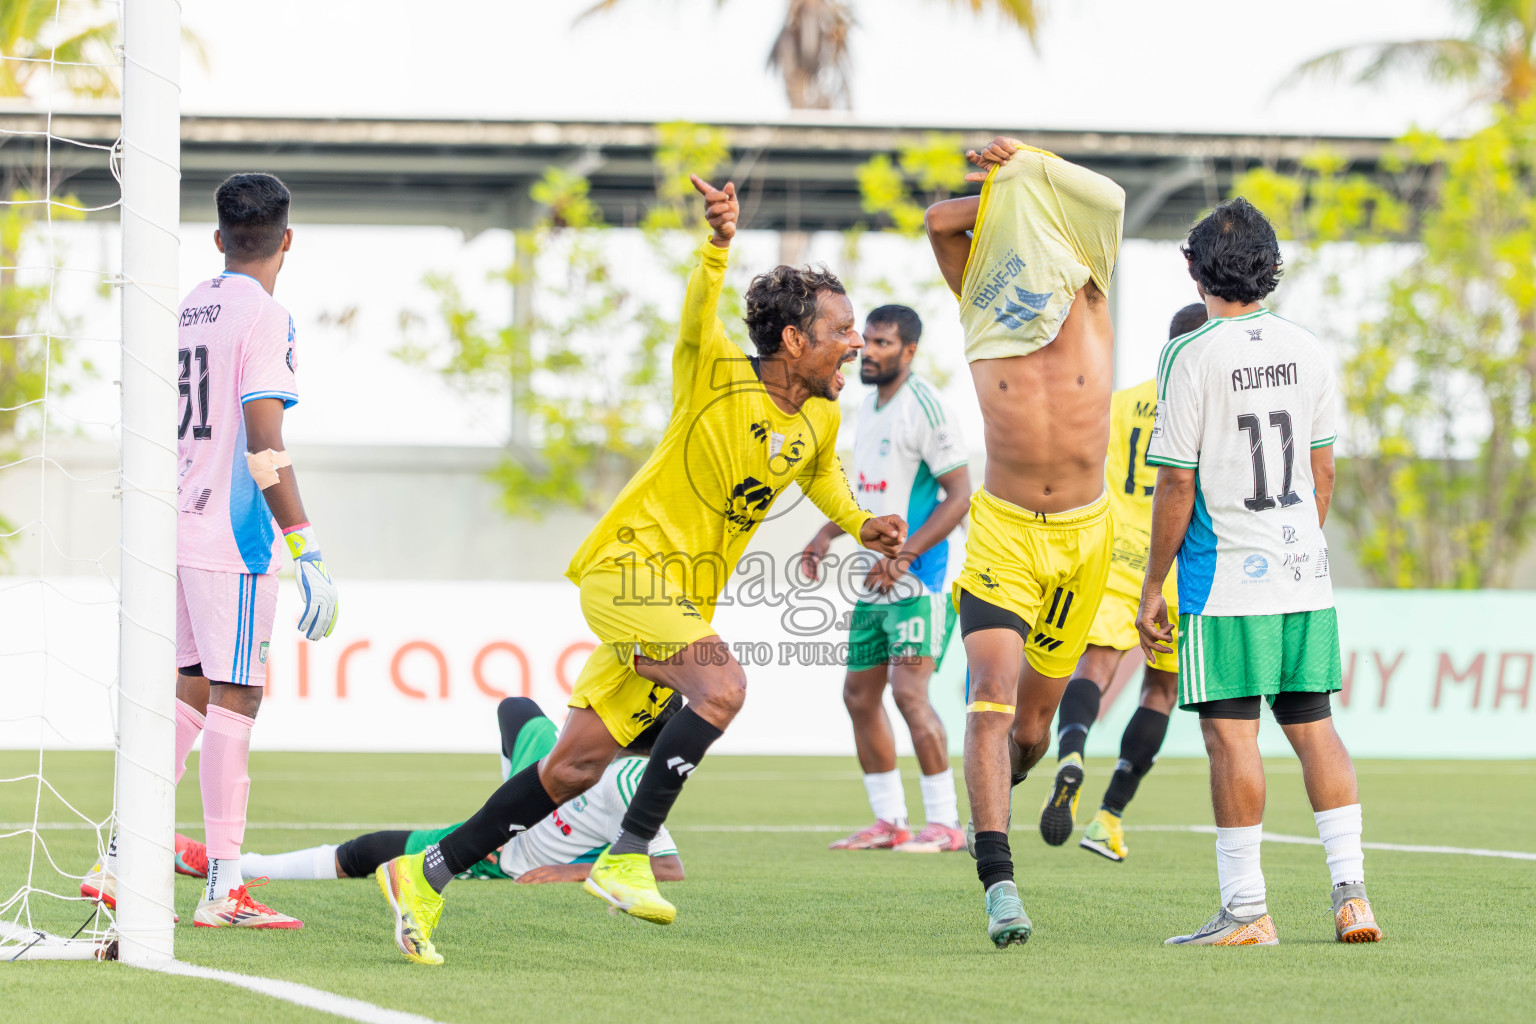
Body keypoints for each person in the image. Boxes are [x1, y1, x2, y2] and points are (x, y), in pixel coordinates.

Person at [374, 173, 906, 966]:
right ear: (795, 340)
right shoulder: (715, 374)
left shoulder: (821, 418)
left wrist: (862, 523)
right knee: (723, 686)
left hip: (677, 600)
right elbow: (698, 314)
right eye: (843, 329)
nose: (855, 343)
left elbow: (820, 475)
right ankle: (627, 855)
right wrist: (718, 243)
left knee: (572, 767)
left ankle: (427, 874)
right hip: (626, 572)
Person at [82, 173, 339, 930]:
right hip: (231, 536)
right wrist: (305, 545)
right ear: (287, 240)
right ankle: (224, 890)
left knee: (193, 688)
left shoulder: (184, 307)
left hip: (170, 524)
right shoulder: (267, 315)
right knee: (239, 695)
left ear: (219, 238)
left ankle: (119, 858)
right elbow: (264, 444)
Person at [1139, 197, 1381, 947]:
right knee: (1315, 727)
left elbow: (1175, 483)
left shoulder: (1189, 354)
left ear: (1193, 269)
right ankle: (1353, 897)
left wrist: (1153, 584)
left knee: (1232, 737)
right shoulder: (1309, 348)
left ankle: (1247, 911)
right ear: (1272, 267)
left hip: (1223, 580)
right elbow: (1323, 471)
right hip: (1303, 573)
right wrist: (1296, 546)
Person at [924, 137, 1124, 947]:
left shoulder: (1090, 278)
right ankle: (998, 880)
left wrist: (1030, 164)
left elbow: (1106, 198)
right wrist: (1004, 192)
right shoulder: (982, 288)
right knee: (990, 698)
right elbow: (940, 221)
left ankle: (1006, 790)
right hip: (1003, 533)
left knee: (1031, 730)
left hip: (1083, 541)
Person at [172, 698, 684, 886]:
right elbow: (514, 712)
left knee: (366, 852)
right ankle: (505, 815)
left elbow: (668, 868)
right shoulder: (571, 751)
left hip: (511, 860)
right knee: (519, 709)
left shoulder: (629, 780)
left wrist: (573, 872)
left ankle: (232, 866)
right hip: (525, 806)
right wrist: (507, 810)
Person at [1039, 302, 1209, 861]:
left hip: (1114, 556)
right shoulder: (1209, 409)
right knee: (1161, 691)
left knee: (1095, 667)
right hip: (1180, 565)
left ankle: (1072, 749)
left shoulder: (1120, 403)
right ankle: (1108, 817)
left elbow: (1078, 471)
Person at [801, 305, 970, 853]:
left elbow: (959, 496)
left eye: (882, 343)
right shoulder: (869, 407)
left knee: (908, 692)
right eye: (866, 340)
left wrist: (905, 556)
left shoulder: (926, 407)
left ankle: (945, 823)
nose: (867, 351)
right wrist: (826, 534)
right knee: (858, 695)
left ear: (909, 351)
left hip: (920, 580)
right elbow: (869, 492)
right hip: (873, 581)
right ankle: (890, 821)